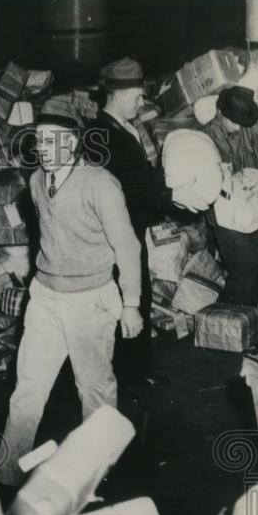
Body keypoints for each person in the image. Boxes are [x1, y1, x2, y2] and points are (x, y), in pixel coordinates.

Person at [0, 96, 143, 486]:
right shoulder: (36, 182)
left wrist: (131, 304)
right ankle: (7, 473)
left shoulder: (100, 184)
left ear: (74, 142)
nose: (44, 149)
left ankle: (95, 475)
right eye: (40, 140)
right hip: (44, 296)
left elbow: (128, 246)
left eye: (53, 140)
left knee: (93, 390)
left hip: (90, 300)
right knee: (27, 386)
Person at [92, 57, 172, 388]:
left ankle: (138, 372)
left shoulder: (122, 128)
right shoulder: (103, 134)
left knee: (139, 295)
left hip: (133, 228)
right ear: (120, 93)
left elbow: (143, 176)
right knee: (128, 300)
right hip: (118, 234)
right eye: (137, 97)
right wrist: (172, 196)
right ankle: (129, 381)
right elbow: (130, 187)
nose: (141, 104)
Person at [200, 85, 258, 306]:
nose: (240, 128)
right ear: (220, 113)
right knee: (244, 265)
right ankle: (223, 324)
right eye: (234, 121)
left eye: (244, 122)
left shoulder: (251, 125)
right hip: (223, 211)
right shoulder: (205, 138)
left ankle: (245, 320)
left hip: (250, 205)